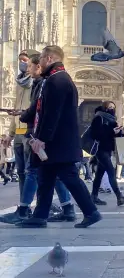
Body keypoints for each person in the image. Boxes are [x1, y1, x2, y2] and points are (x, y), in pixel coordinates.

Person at [17, 46, 101, 229]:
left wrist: (43, 138)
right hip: (57, 141)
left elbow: (52, 113)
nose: (38, 64)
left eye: (40, 60)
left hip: (58, 142)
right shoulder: (56, 79)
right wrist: (24, 116)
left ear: (48, 58)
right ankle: (39, 216)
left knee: (69, 177)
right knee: (45, 178)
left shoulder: (58, 80)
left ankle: (91, 212)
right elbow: (42, 109)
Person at [7, 49, 39, 199]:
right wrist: (10, 134)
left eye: (25, 60)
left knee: (31, 170)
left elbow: (36, 108)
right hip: (19, 133)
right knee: (20, 171)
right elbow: (15, 107)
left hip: (30, 130)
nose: (22, 63)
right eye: (20, 59)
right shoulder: (20, 82)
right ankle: (23, 203)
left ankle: (36, 204)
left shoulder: (37, 83)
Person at [89, 101, 124, 207]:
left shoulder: (113, 120)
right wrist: (112, 131)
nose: (112, 109)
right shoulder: (98, 117)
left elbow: (113, 135)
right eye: (109, 107)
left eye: (113, 107)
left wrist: (120, 131)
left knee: (99, 175)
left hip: (108, 150)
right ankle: (119, 196)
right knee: (111, 172)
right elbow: (96, 134)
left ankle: (93, 197)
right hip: (101, 150)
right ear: (104, 108)